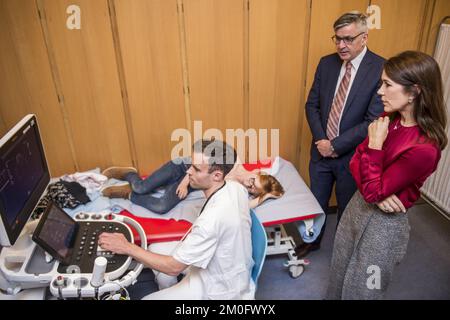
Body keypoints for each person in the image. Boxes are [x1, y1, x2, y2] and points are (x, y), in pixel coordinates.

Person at [326, 51, 447, 300]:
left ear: (414, 92)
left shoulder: (424, 148)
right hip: (359, 204)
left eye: (387, 84)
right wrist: (377, 193)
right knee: (339, 269)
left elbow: (367, 167)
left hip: (384, 225)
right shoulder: (388, 118)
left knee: (363, 288)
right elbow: (355, 162)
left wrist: (375, 147)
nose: (380, 91)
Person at [98, 139, 256, 299]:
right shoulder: (236, 188)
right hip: (228, 265)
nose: (188, 172)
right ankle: (172, 291)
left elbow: (173, 267)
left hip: (218, 288)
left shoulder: (210, 221)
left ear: (217, 175)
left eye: (196, 169)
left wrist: (127, 247)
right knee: (155, 248)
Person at [294, 12, 385, 258]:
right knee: (316, 203)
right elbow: (311, 105)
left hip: (351, 156)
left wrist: (335, 145)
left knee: (347, 207)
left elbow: (373, 119)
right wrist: (322, 141)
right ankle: (311, 242)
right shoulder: (327, 63)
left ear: (364, 38)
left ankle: (344, 250)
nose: (341, 45)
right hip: (321, 152)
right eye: (337, 39)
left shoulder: (380, 68)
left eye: (348, 39)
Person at [101, 158, 284, 211]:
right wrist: (184, 181)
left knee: (162, 205)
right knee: (141, 186)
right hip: (183, 168)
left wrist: (265, 195)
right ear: (259, 172)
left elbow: (245, 206)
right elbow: (198, 163)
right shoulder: (233, 160)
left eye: (252, 189)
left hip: (194, 181)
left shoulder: (237, 189)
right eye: (253, 180)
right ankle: (129, 174)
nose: (248, 184)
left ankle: (128, 194)